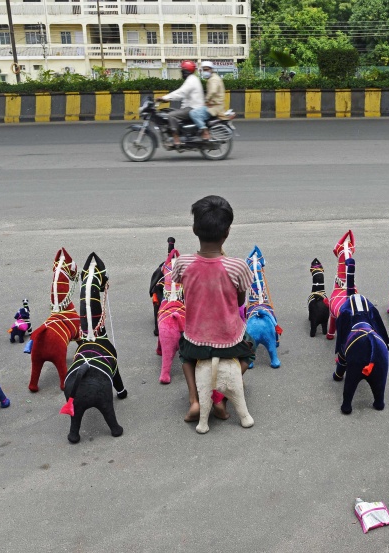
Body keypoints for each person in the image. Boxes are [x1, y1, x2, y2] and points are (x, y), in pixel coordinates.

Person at [171, 195, 255, 423]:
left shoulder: (183, 263)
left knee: (184, 356)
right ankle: (220, 399)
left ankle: (195, 401)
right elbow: (239, 302)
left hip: (195, 341)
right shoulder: (237, 266)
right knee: (251, 352)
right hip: (230, 343)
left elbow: (182, 288)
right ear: (227, 232)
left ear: (194, 229)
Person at [156, 60, 204, 148]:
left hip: (193, 108)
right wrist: (168, 99)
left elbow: (180, 93)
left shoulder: (191, 80)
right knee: (172, 111)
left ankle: (176, 140)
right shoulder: (192, 79)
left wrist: (165, 98)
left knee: (171, 115)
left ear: (186, 71)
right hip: (192, 107)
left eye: (182, 71)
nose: (181, 73)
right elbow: (184, 96)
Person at [191, 61, 225, 141]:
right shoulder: (214, 78)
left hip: (214, 107)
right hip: (215, 105)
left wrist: (206, 101)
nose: (205, 72)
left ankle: (205, 131)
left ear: (211, 70)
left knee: (193, 113)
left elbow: (212, 91)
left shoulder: (213, 80)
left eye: (206, 70)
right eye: (204, 70)